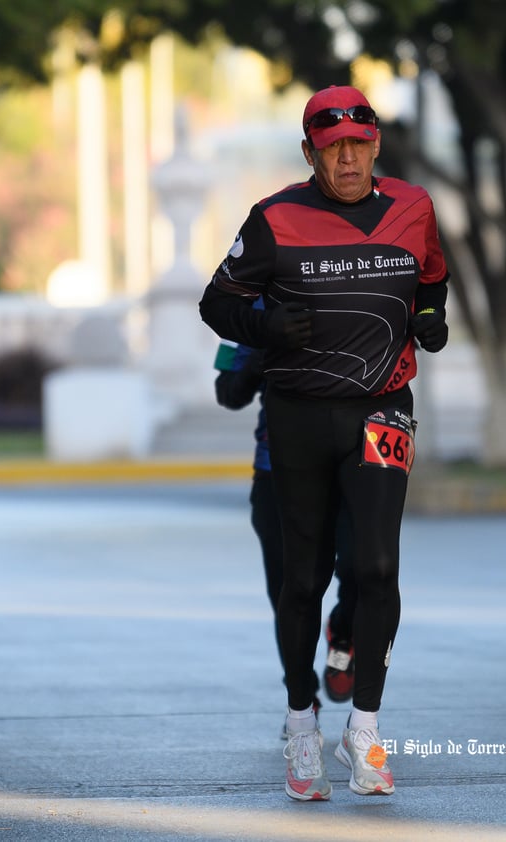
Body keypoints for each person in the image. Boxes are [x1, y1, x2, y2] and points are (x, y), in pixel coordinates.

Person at [199, 84, 450, 801]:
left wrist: (431, 318)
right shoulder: (275, 217)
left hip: (381, 411)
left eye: (359, 145)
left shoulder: (414, 208)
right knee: (301, 578)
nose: (347, 158)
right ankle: (301, 721)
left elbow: (433, 277)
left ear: (376, 147)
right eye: (332, 146)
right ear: (310, 152)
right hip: (298, 415)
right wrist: (264, 330)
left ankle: (364, 730)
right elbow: (217, 302)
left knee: (375, 566)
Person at [212, 331, 359, 734]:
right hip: (276, 477)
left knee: (362, 568)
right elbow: (227, 391)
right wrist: (261, 351)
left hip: (347, 471)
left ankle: (343, 634)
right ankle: (302, 695)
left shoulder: (348, 290)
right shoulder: (251, 309)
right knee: (288, 592)